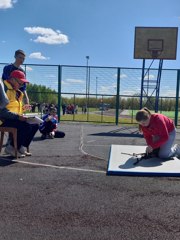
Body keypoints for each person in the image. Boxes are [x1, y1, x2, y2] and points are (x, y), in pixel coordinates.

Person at [0, 73, 39, 158]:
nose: (22, 85)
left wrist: (23, 108)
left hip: (13, 118)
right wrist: (18, 117)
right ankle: (11, 147)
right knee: (25, 126)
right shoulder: (4, 89)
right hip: (3, 119)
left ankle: (19, 146)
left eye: (23, 84)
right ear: (12, 79)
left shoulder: (18, 93)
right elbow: (2, 111)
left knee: (35, 125)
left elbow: (13, 108)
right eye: (20, 83)